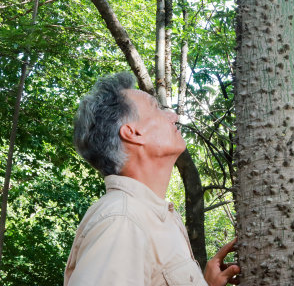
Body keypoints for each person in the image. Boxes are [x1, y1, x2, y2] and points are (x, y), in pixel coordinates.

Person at [64, 73, 240, 285]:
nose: (173, 116)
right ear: (133, 133)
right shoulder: (122, 221)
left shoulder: (157, 216)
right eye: (156, 109)